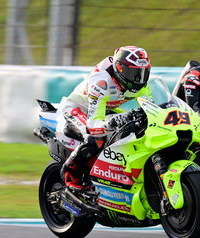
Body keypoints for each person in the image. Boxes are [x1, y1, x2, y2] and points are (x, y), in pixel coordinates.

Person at [57, 46, 151, 193]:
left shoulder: (141, 85)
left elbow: (152, 107)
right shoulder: (102, 82)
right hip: (79, 109)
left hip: (106, 109)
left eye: (143, 72)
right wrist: (113, 122)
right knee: (96, 137)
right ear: (119, 69)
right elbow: (94, 124)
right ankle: (70, 173)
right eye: (133, 73)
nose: (138, 78)